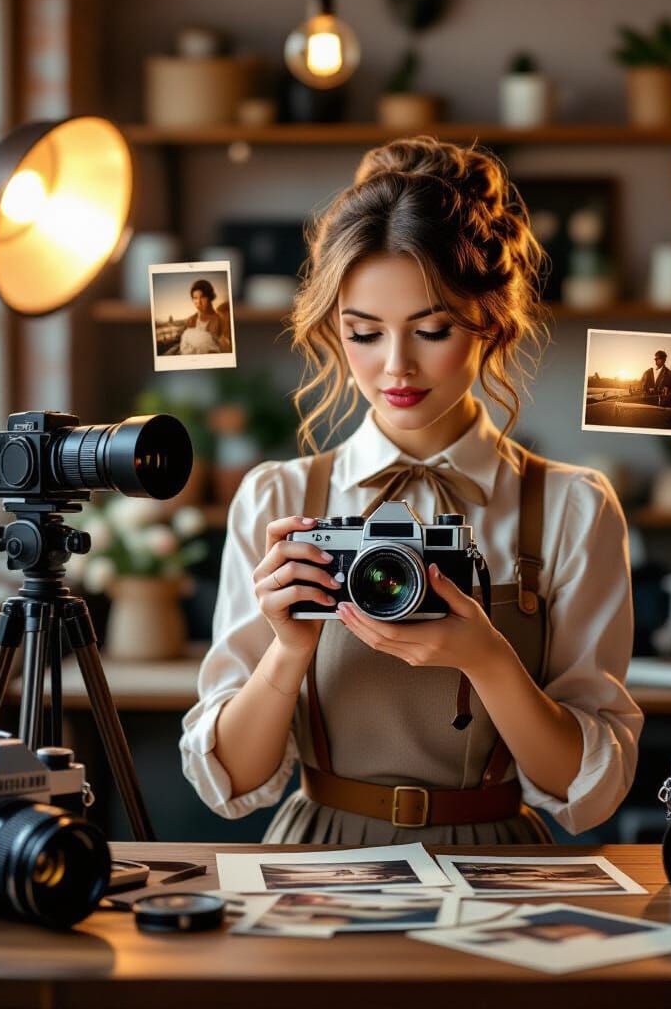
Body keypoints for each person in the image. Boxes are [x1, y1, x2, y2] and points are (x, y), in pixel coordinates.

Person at [180, 137, 643, 844]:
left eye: (431, 329)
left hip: (496, 863)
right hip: (319, 860)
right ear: (334, 330)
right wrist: (289, 649)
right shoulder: (277, 499)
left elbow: (584, 791)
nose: (396, 366)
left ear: (490, 321)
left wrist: (486, 657)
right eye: (364, 333)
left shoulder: (573, 508)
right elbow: (233, 785)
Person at [179, 279, 228, 355]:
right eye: (195, 298)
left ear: (210, 297)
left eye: (202, 297)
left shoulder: (220, 320)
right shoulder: (191, 320)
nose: (198, 302)